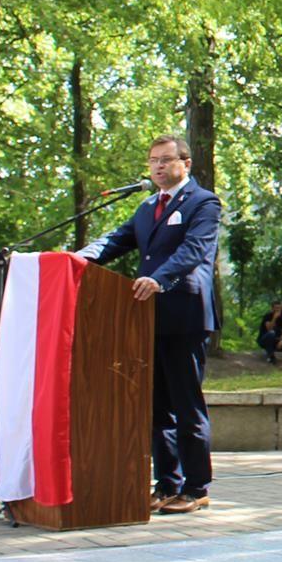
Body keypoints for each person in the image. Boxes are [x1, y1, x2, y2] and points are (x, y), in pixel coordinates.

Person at [80, 136, 222, 514]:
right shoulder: (147, 208)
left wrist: (160, 277)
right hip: (146, 318)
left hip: (185, 315)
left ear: (185, 163)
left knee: (185, 403)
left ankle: (196, 487)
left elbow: (195, 250)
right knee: (156, 407)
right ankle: (167, 484)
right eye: (152, 161)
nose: (158, 167)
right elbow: (115, 240)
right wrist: (77, 259)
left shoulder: (202, 202)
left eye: (165, 160)